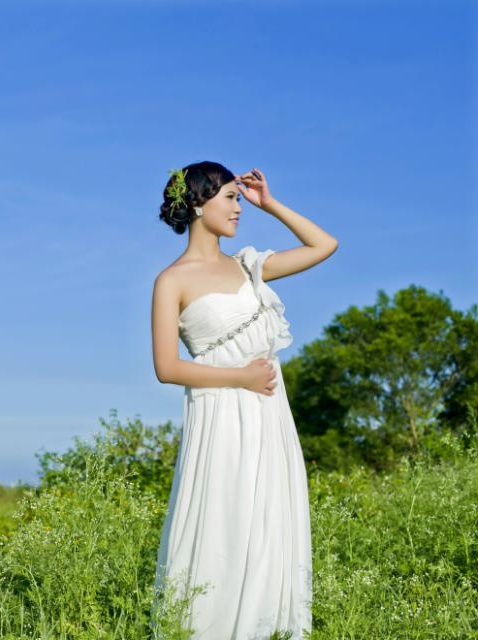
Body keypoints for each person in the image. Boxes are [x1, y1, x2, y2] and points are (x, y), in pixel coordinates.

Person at [149, 161, 337, 639]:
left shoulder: (249, 266)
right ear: (197, 202)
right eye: (231, 198)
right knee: (222, 526)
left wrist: (270, 204)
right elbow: (166, 368)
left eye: (239, 197)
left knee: (271, 526)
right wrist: (239, 378)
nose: (239, 208)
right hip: (219, 414)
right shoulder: (171, 281)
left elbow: (324, 245)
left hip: (269, 415)